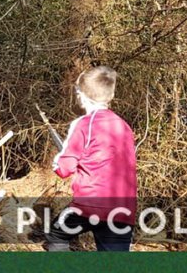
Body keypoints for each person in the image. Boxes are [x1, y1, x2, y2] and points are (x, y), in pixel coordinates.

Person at [45, 66, 137, 252]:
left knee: (56, 235)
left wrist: (58, 161)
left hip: (88, 206)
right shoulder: (124, 127)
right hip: (123, 210)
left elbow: (64, 168)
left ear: (80, 95)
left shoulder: (83, 124)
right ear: (110, 96)